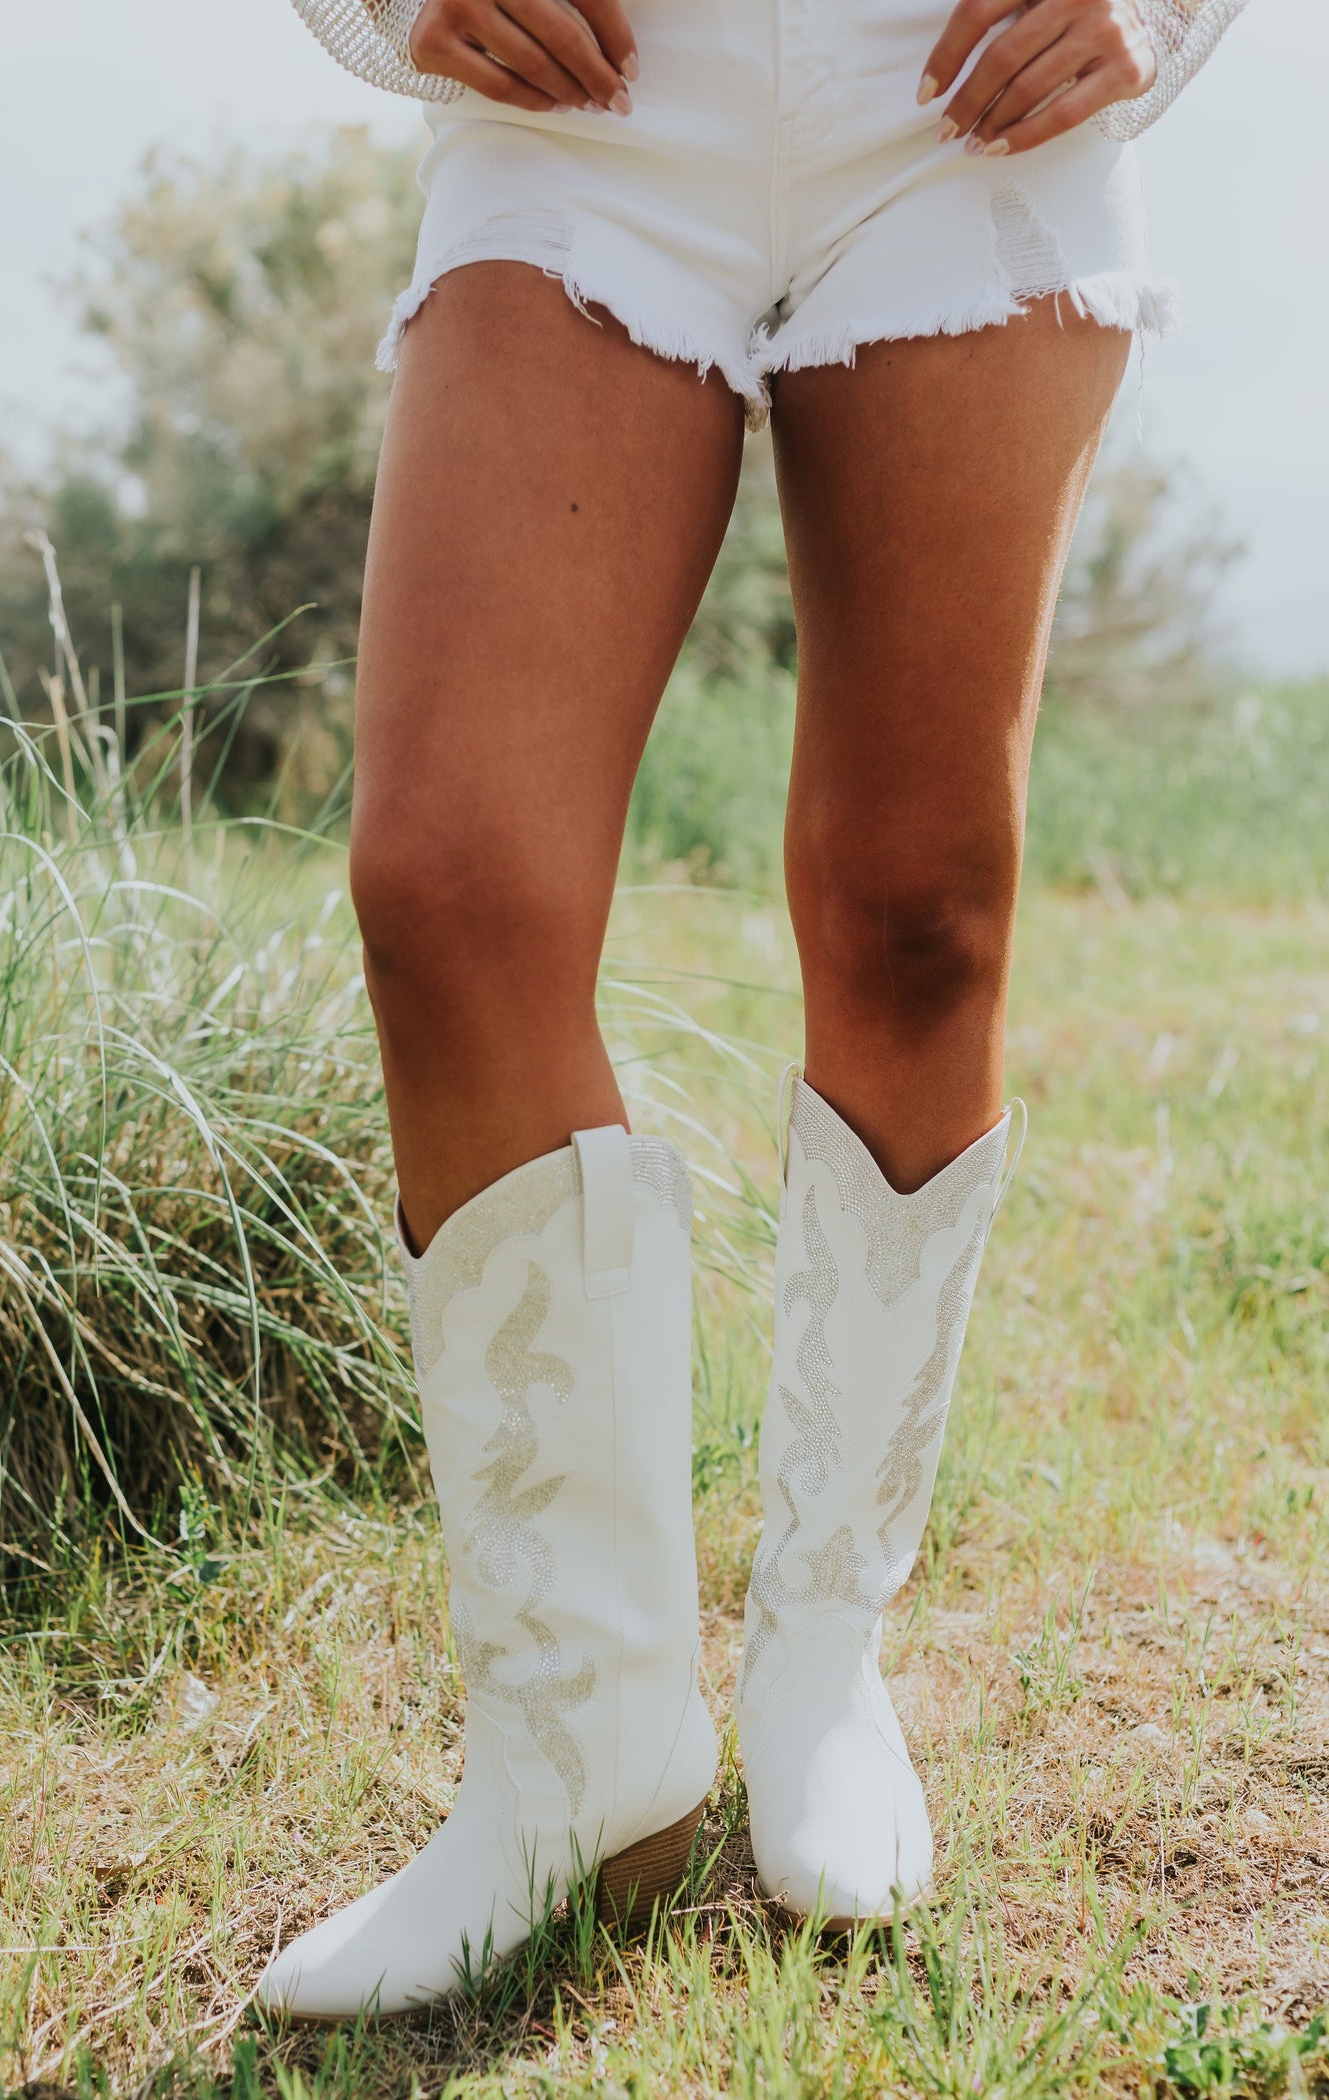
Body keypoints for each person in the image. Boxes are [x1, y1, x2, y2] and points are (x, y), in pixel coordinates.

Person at [256, 0, 1243, 2021]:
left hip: (953, 103)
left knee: (914, 907)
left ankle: (819, 1667)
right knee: (447, 886)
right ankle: (574, 1742)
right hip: (595, 107)